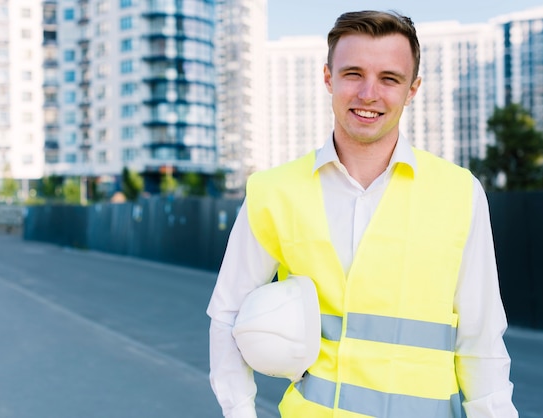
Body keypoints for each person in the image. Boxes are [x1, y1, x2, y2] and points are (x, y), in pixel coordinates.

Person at [207, 10, 518, 418]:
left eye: (389, 79)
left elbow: (482, 341)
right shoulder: (273, 191)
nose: (369, 93)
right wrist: (239, 411)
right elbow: (227, 313)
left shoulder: (459, 192)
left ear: (412, 89)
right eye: (353, 73)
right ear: (328, 78)